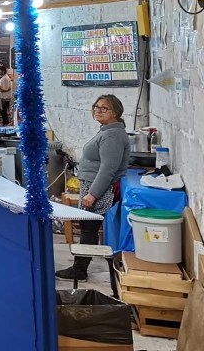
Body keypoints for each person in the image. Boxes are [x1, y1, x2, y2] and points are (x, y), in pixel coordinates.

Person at [56, 96, 131, 282]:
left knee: (89, 228)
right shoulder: (107, 130)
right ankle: (79, 267)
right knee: (87, 227)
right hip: (92, 184)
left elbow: (108, 168)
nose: (98, 110)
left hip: (100, 188)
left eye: (104, 108)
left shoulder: (112, 135)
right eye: (96, 106)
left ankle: (79, 270)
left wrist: (93, 194)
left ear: (115, 112)